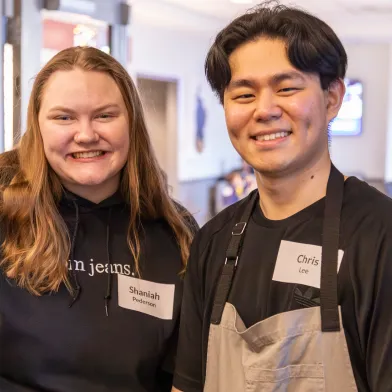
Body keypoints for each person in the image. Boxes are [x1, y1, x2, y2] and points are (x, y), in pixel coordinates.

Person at [172, 2, 392, 391]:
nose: (265, 110)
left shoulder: (380, 237)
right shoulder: (213, 242)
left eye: (287, 88)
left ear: (332, 98)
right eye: (243, 95)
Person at [0, 46, 197, 392]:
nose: (86, 134)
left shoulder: (175, 233)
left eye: (105, 115)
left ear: (132, 122)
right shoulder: (6, 215)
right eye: (64, 118)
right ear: (38, 126)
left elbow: (184, 374)